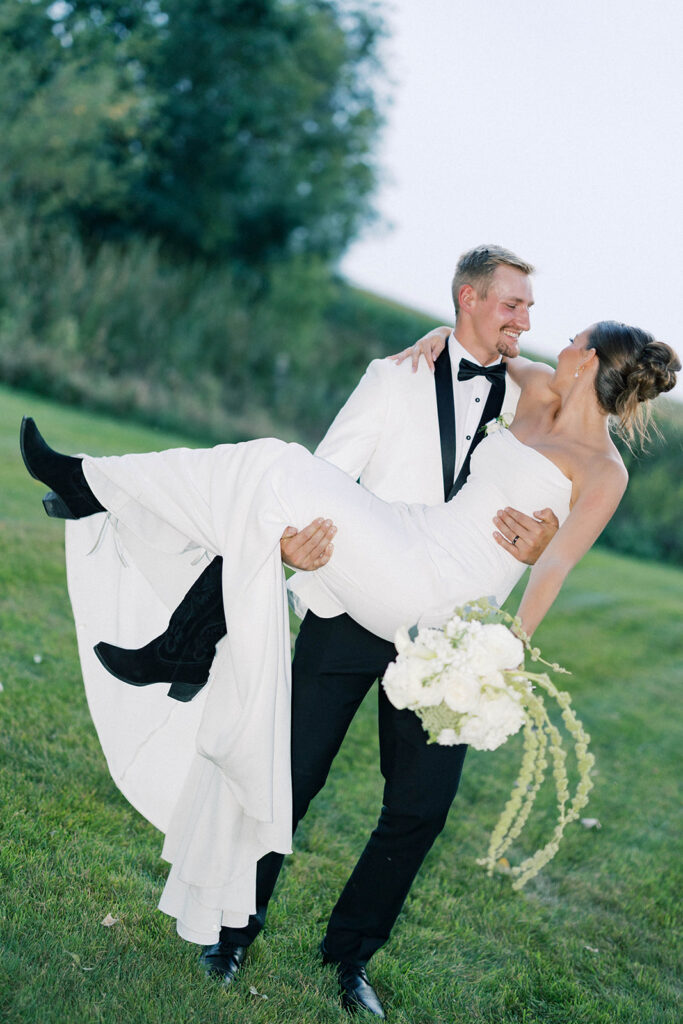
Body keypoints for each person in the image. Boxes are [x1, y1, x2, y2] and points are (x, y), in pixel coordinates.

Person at [21, 313, 679, 1016]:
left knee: (418, 811)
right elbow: (475, 349)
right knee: (272, 468)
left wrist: (498, 653)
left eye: (574, 339)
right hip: (396, 551)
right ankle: (232, 929)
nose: (555, 339)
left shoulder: (602, 471)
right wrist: (437, 333)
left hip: (450, 623)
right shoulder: (536, 389)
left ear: (587, 363)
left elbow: (553, 571)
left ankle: (350, 956)